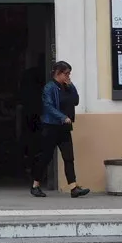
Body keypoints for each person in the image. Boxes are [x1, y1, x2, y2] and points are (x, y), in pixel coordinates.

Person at [30, 60, 90, 198]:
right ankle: (35, 185)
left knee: (69, 157)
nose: (68, 76)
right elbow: (48, 106)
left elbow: (75, 101)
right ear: (58, 73)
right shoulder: (49, 88)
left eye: (69, 74)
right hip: (51, 126)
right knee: (46, 157)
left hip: (64, 128)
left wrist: (72, 86)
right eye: (66, 73)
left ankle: (73, 187)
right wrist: (62, 117)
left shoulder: (67, 86)